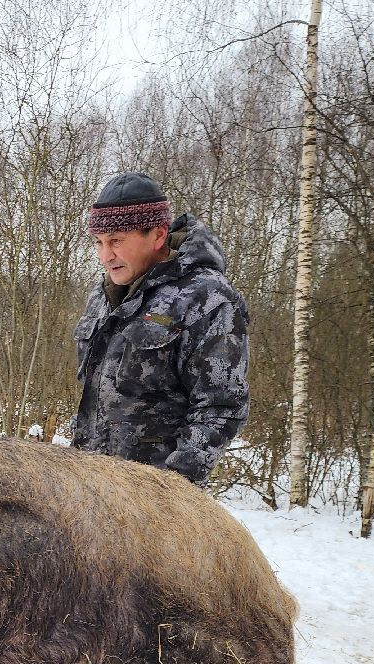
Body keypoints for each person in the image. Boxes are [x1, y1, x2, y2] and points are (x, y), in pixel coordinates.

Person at [71, 171, 249, 487]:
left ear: (157, 234)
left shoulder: (207, 298)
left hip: (153, 503)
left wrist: (172, 492)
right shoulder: (104, 294)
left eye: (116, 242)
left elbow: (220, 408)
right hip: (91, 490)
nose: (105, 256)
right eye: (98, 243)